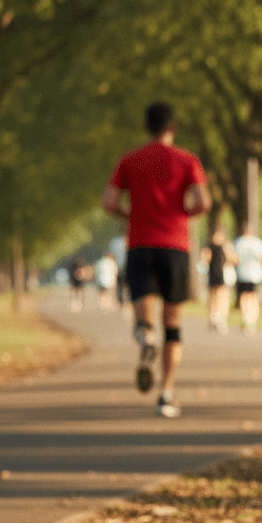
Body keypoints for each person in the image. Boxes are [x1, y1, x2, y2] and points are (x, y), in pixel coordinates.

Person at [101, 102, 211, 418]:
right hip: (175, 245)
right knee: (173, 325)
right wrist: (184, 214)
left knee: (144, 315)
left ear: (147, 127)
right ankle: (166, 393)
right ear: (172, 127)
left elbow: (109, 201)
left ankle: (145, 336)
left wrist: (129, 214)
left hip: (140, 245)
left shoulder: (130, 160)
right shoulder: (188, 160)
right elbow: (204, 201)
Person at [233, 223, 262, 336]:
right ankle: (252, 319)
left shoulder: (238, 242)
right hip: (255, 274)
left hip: (242, 274)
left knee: (244, 296)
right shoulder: (257, 242)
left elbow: (234, 259)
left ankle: (245, 317)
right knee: (253, 297)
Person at [201, 226, 238, 334]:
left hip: (222, 274)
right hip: (215, 274)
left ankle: (219, 317)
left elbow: (233, 259)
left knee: (221, 295)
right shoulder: (214, 246)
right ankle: (215, 316)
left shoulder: (224, 246)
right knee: (215, 295)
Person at [108, 233, 129, 310]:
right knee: (126, 286)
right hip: (125, 268)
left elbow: (111, 256)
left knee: (120, 286)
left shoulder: (114, 242)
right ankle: (125, 303)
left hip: (119, 268)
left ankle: (122, 303)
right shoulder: (130, 242)